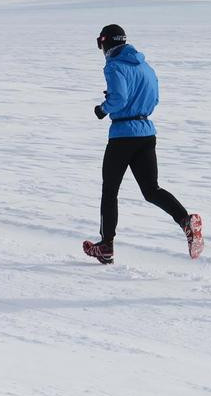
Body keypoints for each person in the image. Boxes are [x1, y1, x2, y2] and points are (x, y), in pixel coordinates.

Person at [83, 24, 203, 265]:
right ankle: (185, 221)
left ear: (106, 43)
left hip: (122, 136)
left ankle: (106, 245)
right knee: (151, 190)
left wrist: (103, 108)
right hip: (147, 133)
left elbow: (119, 98)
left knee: (110, 190)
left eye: (100, 44)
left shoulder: (114, 66)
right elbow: (155, 97)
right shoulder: (146, 66)